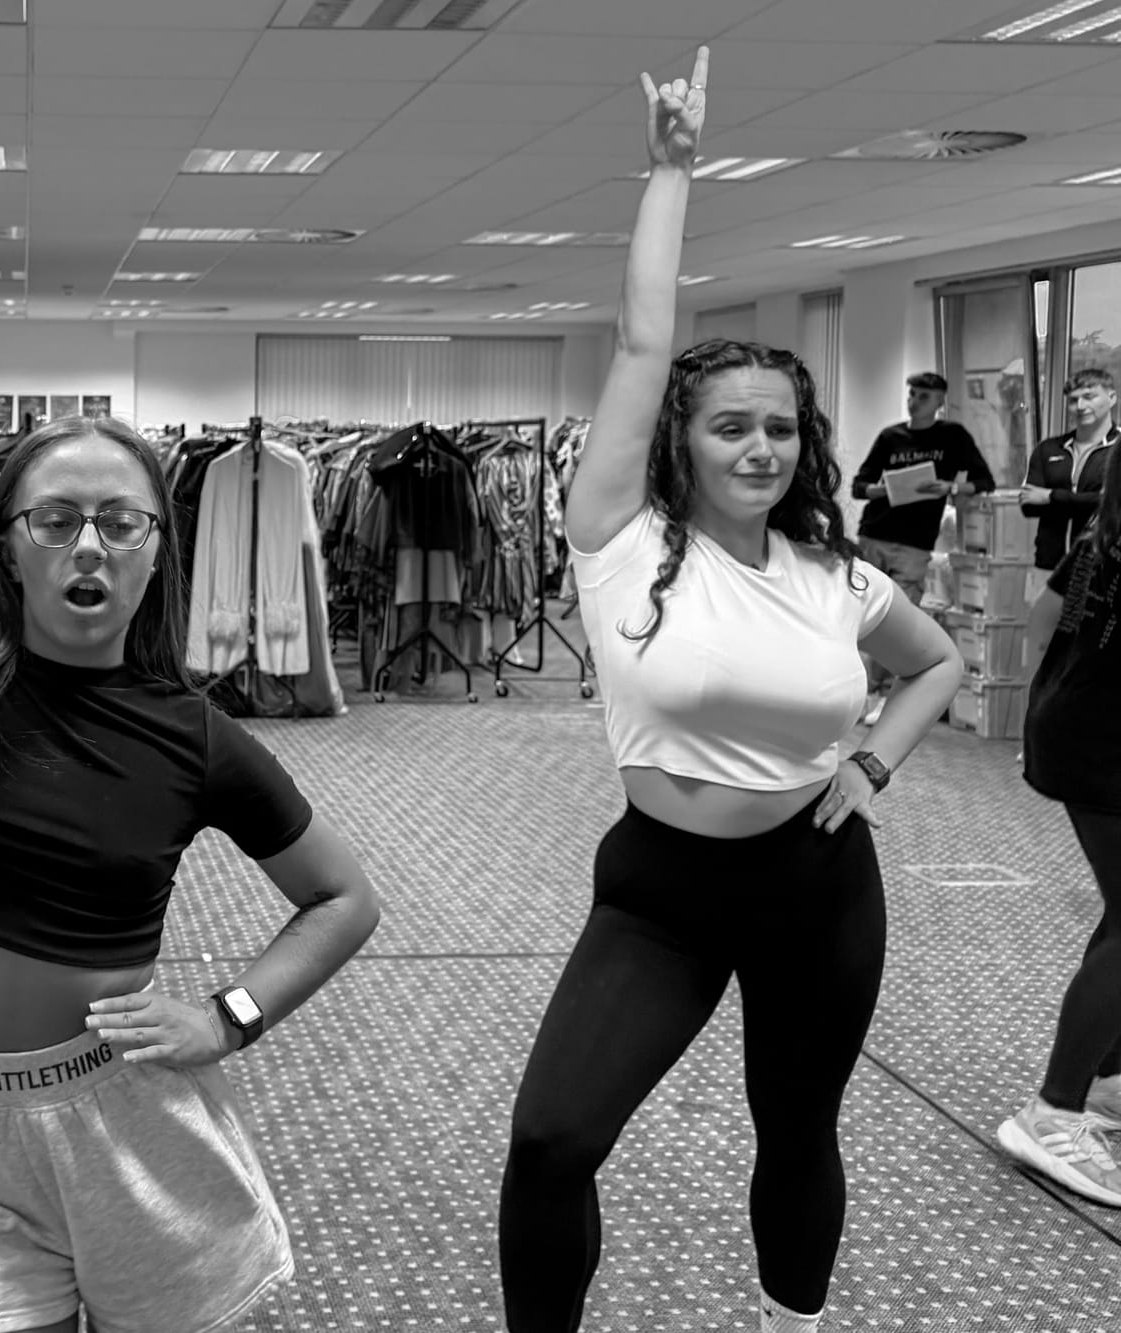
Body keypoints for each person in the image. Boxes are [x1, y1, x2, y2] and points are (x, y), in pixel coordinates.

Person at [0, 26, 381, 1333]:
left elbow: (342, 900)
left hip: (128, 1118)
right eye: (56, 517)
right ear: (6, 543)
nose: (89, 544)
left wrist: (229, 1016)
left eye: (120, 521)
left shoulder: (192, 734)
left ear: (154, 549)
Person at [498, 49, 964, 1333]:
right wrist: (670, 170)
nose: (758, 446)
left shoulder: (832, 574)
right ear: (679, 440)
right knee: (550, 1139)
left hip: (814, 889)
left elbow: (934, 662)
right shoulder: (618, 539)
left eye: (778, 427)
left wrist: (868, 762)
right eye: (728, 426)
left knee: (796, 1127)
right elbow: (644, 338)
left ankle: (788, 1320)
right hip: (661, 893)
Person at [996, 462, 1121, 1206]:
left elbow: (1043, 623)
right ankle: (1055, 1111)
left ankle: (1104, 1079)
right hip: (1100, 747)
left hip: (1072, 728)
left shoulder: (1100, 536)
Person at [850, 371, 996, 711]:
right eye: (912, 394)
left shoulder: (953, 436)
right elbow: (859, 486)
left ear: (940, 402)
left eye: (923, 397)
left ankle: (884, 694)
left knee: (896, 619)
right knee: (859, 613)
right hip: (875, 532)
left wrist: (951, 488)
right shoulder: (891, 436)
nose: (914, 402)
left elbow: (984, 480)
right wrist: (883, 490)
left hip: (915, 541)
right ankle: (860, 691)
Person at [1023, 367, 1117, 572]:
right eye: (1074, 400)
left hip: (1101, 568)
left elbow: (1113, 504)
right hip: (1048, 565)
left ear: (1111, 398)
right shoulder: (1048, 448)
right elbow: (1028, 505)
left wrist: (1051, 496)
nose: (1080, 406)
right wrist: (1089, 500)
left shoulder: (1118, 450)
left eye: (1089, 397)